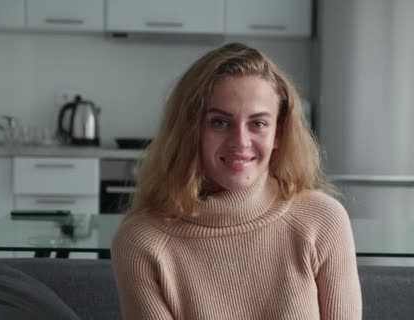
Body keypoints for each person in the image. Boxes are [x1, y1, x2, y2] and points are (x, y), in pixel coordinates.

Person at [111, 42, 362, 320]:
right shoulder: (142, 241)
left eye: (258, 124)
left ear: (278, 133)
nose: (240, 143)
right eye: (219, 122)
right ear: (190, 130)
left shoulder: (322, 220)